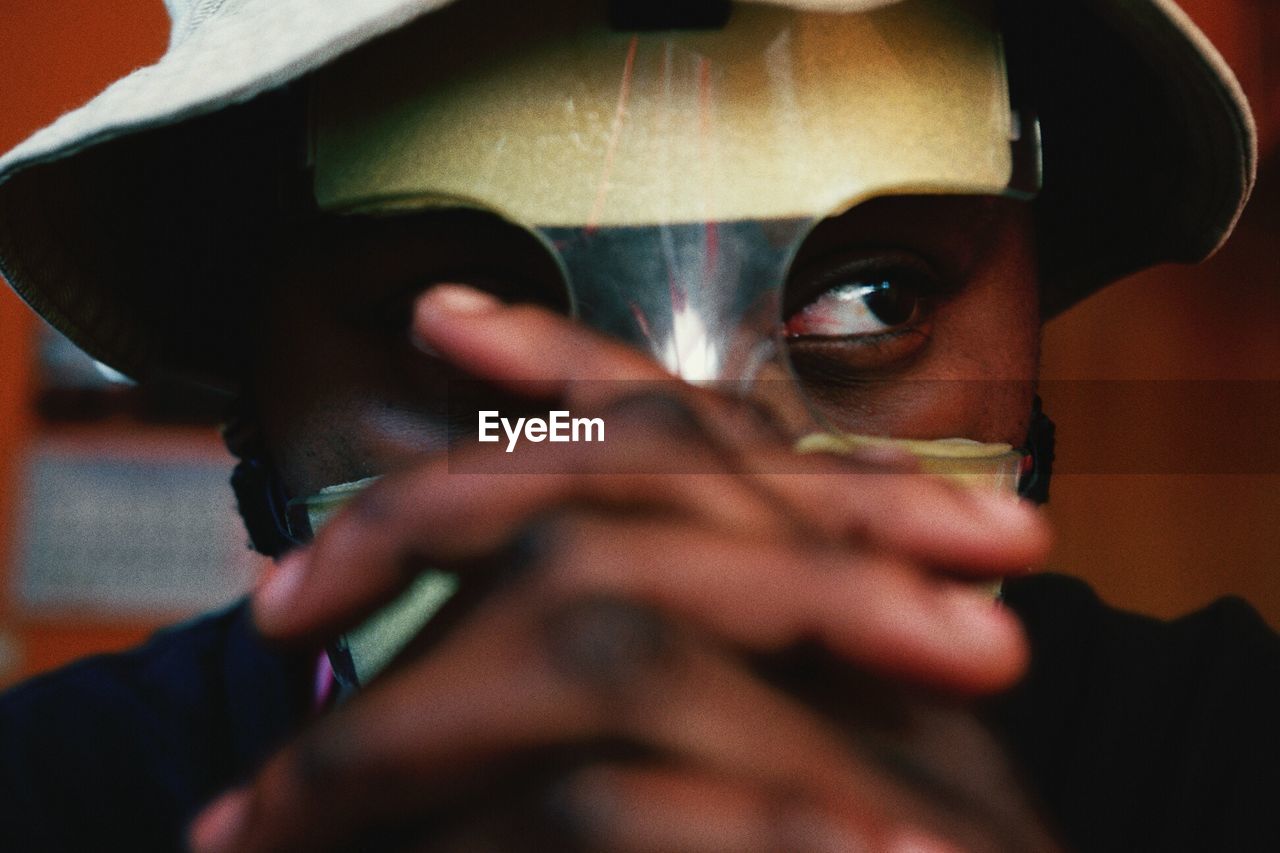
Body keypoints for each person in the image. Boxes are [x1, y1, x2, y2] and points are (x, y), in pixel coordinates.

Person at [0, 0, 1277, 851]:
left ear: (1030, 302)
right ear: (254, 375)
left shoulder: (1231, 764)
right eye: (464, 313)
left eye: (867, 297)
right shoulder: (52, 800)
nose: (683, 462)